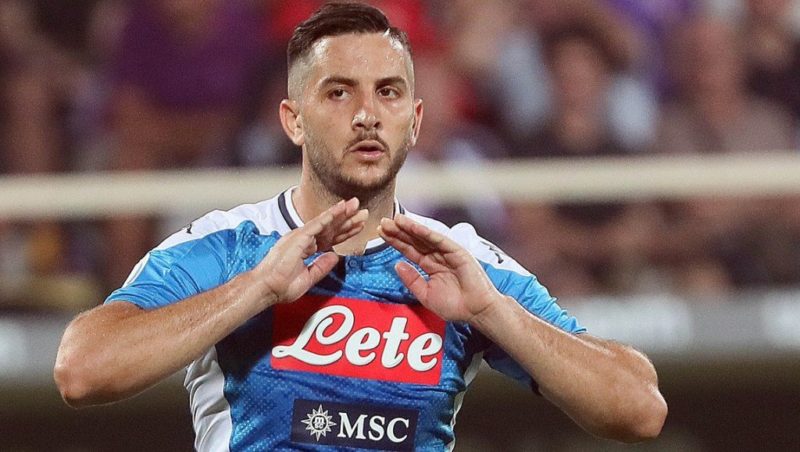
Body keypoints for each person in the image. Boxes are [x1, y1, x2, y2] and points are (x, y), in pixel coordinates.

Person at [54, 3, 667, 450]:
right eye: (339, 93)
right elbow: (81, 369)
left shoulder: (460, 265)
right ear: (293, 120)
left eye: (389, 92)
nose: (368, 114)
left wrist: (493, 313)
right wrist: (256, 290)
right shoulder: (229, 247)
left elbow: (641, 409)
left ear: (416, 120)